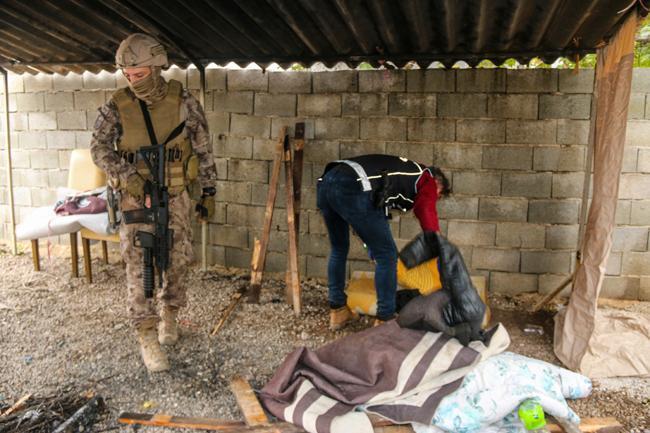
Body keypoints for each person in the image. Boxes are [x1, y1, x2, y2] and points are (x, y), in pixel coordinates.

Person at [91, 33, 217, 372]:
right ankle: (146, 334)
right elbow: (99, 149)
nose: (133, 82)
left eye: (140, 74)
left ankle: (170, 316)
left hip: (175, 196)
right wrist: (128, 175)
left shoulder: (184, 102)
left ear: (158, 67)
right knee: (139, 263)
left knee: (177, 260)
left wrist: (208, 191)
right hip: (135, 199)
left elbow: (203, 149)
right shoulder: (116, 106)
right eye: (128, 75)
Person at [317, 154, 450, 330]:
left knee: (339, 248)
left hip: (327, 181)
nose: (435, 199)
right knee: (387, 256)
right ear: (438, 182)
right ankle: (385, 320)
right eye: (438, 196)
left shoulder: (392, 177)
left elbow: (365, 222)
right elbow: (427, 213)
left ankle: (338, 310)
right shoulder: (427, 179)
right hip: (354, 184)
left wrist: (370, 247)